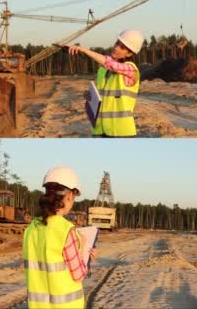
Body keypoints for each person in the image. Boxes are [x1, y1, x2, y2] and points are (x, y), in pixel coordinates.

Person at [23, 166, 97, 308]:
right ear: (69, 195)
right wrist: (83, 250)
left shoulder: (31, 228)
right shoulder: (66, 231)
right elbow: (79, 275)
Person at [64, 29, 143, 137]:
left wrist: (84, 50)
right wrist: (90, 97)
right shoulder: (103, 70)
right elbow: (102, 99)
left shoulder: (130, 70)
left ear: (129, 53)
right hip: (100, 130)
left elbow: (110, 63)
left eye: (122, 47)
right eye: (117, 43)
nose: (116, 48)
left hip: (121, 133)